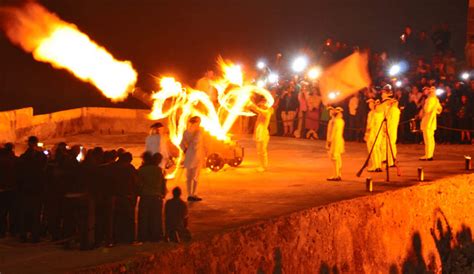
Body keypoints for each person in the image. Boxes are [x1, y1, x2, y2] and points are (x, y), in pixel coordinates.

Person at [16, 136, 47, 243]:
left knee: (26, 213)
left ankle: (25, 234)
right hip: (35, 189)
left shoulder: (24, 157)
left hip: (26, 189)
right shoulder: (39, 156)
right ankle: (34, 235)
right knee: (35, 213)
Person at [137, 152, 167, 242]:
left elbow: (138, 184)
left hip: (145, 196)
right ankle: (156, 236)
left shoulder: (141, 170)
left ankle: (143, 237)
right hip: (157, 197)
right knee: (156, 217)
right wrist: (163, 194)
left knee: (143, 218)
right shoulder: (159, 170)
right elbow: (163, 184)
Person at [180, 116, 207, 202]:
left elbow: (181, 144)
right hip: (197, 157)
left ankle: (189, 194)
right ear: (197, 122)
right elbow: (196, 145)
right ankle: (194, 194)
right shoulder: (199, 132)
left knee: (188, 177)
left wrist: (185, 150)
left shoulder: (186, 132)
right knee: (195, 176)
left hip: (188, 156)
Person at [419, 87, 442, 160]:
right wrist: (435, 111)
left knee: (428, 139)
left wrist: (424, 108)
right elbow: (440, 109)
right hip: (432, 121)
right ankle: (430, 155)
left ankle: (428, 155)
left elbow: (427, 109)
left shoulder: (430, 100)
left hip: (428, 121)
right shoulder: (436, 100)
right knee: (431, 139)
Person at [0, 143, 18, 237]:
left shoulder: (2, 160)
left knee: (2, 212)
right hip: (13, 189)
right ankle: (13, 230)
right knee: (13, 212)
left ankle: (2, 231)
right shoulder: (15, 160)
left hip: (3, 190)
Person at [253, 101, 274, 172]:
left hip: (263, 133)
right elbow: (257, 122)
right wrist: (254, 134)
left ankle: (264, 166)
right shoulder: (261, 113)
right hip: (259, 132)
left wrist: (250, 104)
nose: (261, 106)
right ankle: (261, 165)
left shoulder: (266, 112)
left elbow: (257, 109)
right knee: (259, 151)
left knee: (262, 150)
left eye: (263, 105)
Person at [326, 107, 345, 181]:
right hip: (338, 140)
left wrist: (329, 141)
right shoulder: (341, 121)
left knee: (334, 157)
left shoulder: (335, 121)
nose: (330, 113)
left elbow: (333, 132)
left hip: (335, 141)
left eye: (331, 111)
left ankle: (336, 175)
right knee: (338, 157)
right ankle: (338, 174)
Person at [364, 99, 383, 172]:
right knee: (377, 150)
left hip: (373, 134)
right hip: (378, 133)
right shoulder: (378, 113)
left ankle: (375, 165)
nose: (370, 105)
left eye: (371, 103)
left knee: (373, 150)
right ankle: (378, 165)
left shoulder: (374, 114)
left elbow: (370, 126)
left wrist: (366, 134)